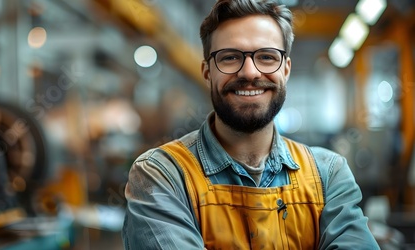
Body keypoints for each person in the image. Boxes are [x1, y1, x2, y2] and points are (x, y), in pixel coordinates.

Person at [122, 0, 380, 249]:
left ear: (286, 70)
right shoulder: (161, 175)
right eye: (230, 57)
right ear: (207, 72)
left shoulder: (328, 175)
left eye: (267, 57)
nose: (249, 72)